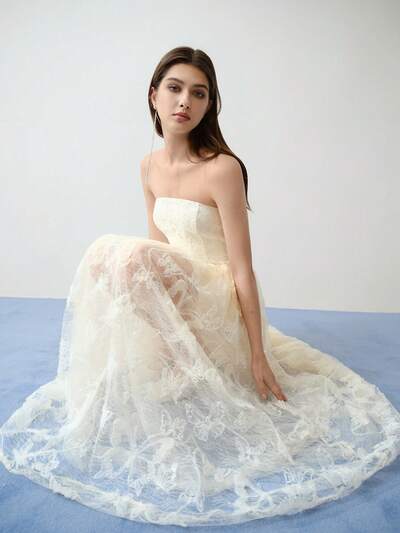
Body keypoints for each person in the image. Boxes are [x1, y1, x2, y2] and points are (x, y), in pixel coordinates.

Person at [0, 46, 399, 528]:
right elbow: (157, 249)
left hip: (218, 295)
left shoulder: (222, 168)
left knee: (123, 253)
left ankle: (198, 356)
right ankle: (176, 352)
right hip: (181, 297)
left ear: (209, 105)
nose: (185, 101)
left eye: (199, 93)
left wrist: (257, 353)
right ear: (154, 95)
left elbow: (242, 269)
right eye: (174, 88)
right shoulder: (148, 166)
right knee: (110, 257)